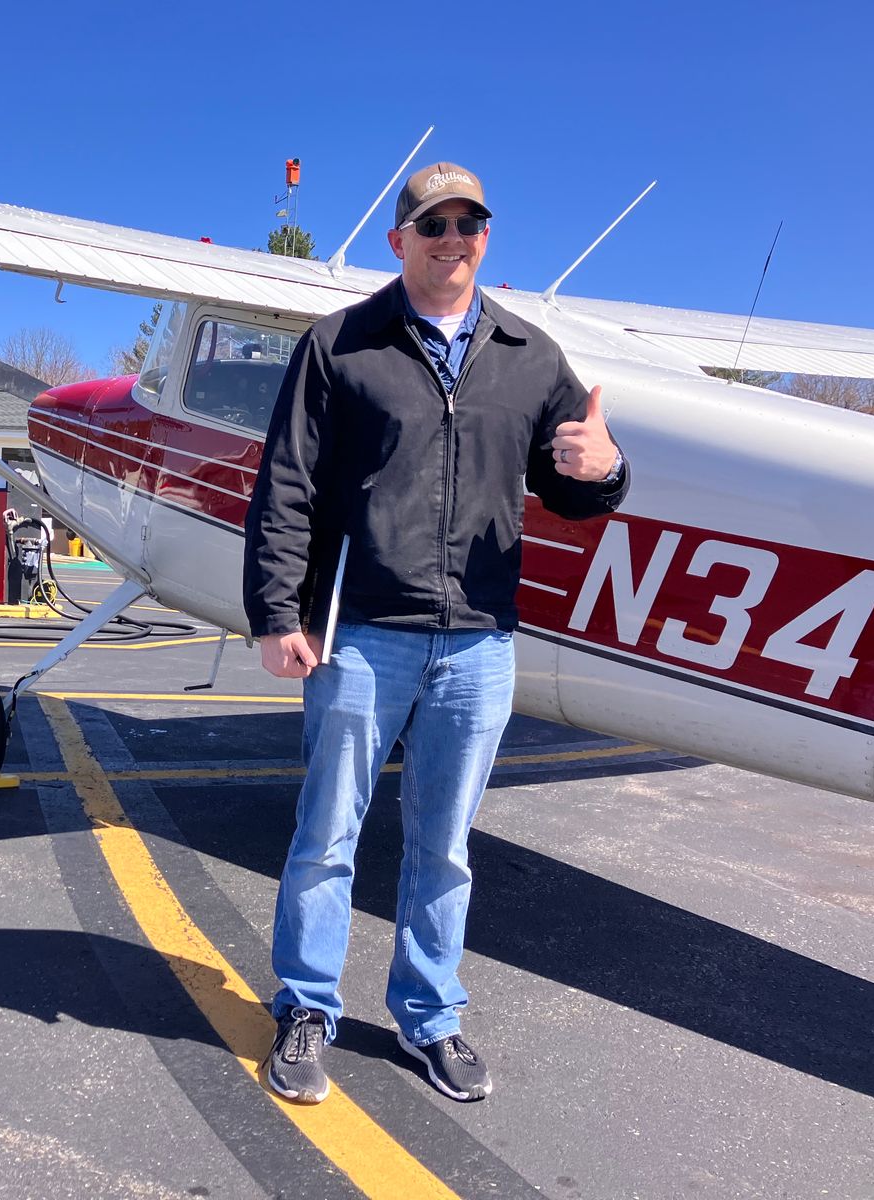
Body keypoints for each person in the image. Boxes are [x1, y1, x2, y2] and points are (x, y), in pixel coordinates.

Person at [242, 162, 628, 1104]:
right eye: (433, 224)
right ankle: (306, 1007)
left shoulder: (528, 354)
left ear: (485, 237)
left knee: (445, 845)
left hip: (479, 639)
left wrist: (606, 468)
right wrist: (277, 612)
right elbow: (286, 483)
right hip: (364, 631)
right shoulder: (339, 343)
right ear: (400, 239)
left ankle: (430, 1015)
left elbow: (571, 484)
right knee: (327, 834)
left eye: (469, 224)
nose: (452, 239)